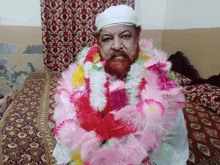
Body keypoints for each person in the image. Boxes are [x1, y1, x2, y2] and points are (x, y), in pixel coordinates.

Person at [53, 5, 189, 165]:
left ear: (137, 37)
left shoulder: (161, 88)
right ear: (98, 43)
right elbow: (67, 140)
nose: (117, 46)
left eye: (125, 36)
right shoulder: (79, 83)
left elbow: (172, 146)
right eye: (107, 39)